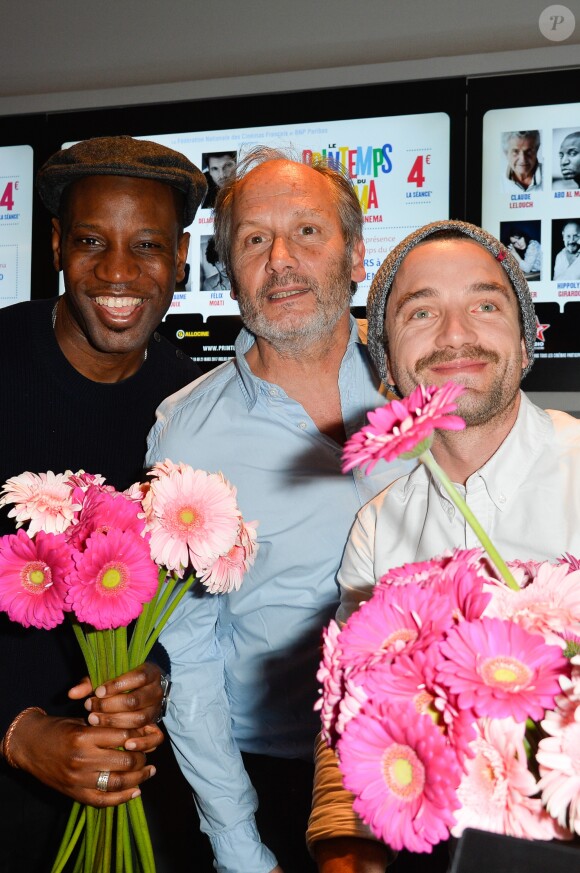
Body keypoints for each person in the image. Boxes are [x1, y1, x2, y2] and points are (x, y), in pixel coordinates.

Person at [145, 146, 414, 873]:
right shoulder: (186, 430)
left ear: (357, 253)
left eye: (307, 232)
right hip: (276, 775)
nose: (281, 260)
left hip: (430, 761)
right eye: (255, 240)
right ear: (229, 272)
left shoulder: (423, 386)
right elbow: (189, 653)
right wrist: (239, 845)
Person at [308, 219, 580, 872]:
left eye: (485, 305)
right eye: (422, 311)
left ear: (524, 343)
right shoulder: (378, 527)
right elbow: (352, 726)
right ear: (386, 368)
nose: (456, 334)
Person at [0, 135, 207, 872]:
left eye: (147, 245)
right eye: (92, 241)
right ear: (56, 244)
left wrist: (160, 677)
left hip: (137, 800)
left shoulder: (191, 412)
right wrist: (19, 732)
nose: (118, 272)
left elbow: (202, 611)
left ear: (182, 257)